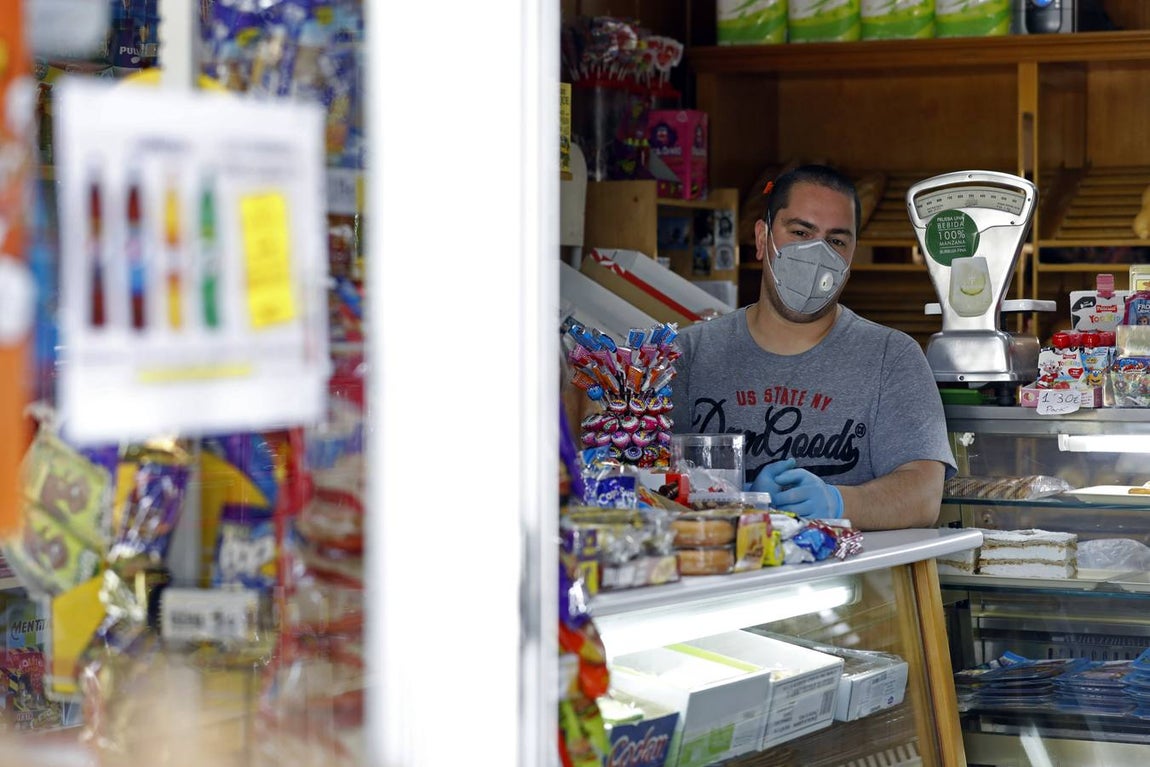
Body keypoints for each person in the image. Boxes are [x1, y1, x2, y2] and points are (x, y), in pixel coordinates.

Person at [670, 164, 956, 530]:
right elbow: (645, 481)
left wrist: (839, 501)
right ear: (762, 239)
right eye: (801, 232)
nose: (817, 252)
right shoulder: (688, 355)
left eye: (836, 241)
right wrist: (738, 500)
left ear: (851, 257)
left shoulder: (891, 357)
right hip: (725, 580)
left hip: (854, 585)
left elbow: (923, 495)